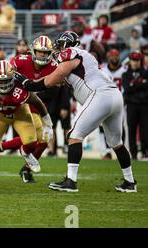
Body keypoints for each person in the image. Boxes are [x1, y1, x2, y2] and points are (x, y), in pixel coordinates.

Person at [15, 31, 137, 192]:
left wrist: (28, 84)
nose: (57, 50)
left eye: (59, 45)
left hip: (100, 95)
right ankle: (130, 182)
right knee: (116, 143)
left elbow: (52, 80)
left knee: (74, 135)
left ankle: (70, 181)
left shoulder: (70, 53)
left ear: (66, 45)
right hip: (114, 96)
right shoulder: (85, 56)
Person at [0, 36, 58, 183]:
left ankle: (25, 167)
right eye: (39, 51)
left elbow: (54, 90)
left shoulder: (54, 66)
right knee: (36, 137)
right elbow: (7, 69)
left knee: (44, 139)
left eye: (45, 52)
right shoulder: (22, 60)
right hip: (18, 102)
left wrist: (33, 91)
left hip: (36, 103)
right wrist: (24, 83)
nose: (42, 55)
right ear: (33, 50)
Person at [122, 51, 148, 160]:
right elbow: (127, 88)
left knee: (145, 129)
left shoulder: (146, 73)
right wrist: (141, 84)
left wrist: (134, 84)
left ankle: (145, 151)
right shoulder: (126, 74)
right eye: (133, 60)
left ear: (140, 61)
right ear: (130, 61)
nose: (135, 63)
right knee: (131, 130)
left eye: (137, 60)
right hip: (131, 105)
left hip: (144, 105)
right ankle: (133, 153)